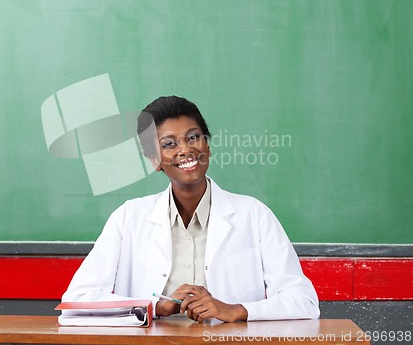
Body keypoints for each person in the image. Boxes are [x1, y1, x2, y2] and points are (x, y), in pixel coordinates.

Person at [62, 96, 319, 322]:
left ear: (207, 146)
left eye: (194, 137)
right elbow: (76, 301)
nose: (185, 149)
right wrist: (153, 307)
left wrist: (236, 310)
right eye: (169, 144)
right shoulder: (128, 218)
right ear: (154, 161)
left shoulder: (254, 215)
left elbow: (304, 302)